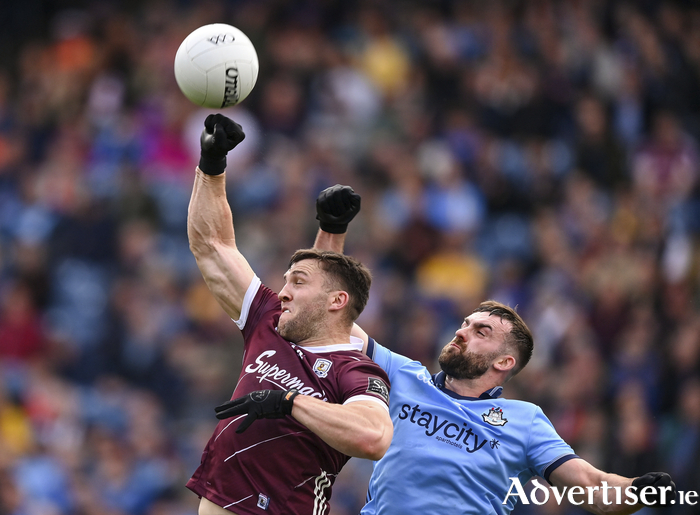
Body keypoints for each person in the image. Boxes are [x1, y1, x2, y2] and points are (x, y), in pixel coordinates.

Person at [310, 188, 677, 515]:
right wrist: (331, 231)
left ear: (505, 362)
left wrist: (638, 491)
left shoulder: (525, 421)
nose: (461, 332)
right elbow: (327, 322)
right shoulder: (403, 375)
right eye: (465, 323)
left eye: (480, 331)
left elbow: (589, 485)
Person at [185, 114, 393, 515]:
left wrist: (289, 401)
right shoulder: (269, 319)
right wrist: (212, 167)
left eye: (296, 282)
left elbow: (374, 437)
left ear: (336, 302)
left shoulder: (356, 371)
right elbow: (211, 244)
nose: (282, 291)